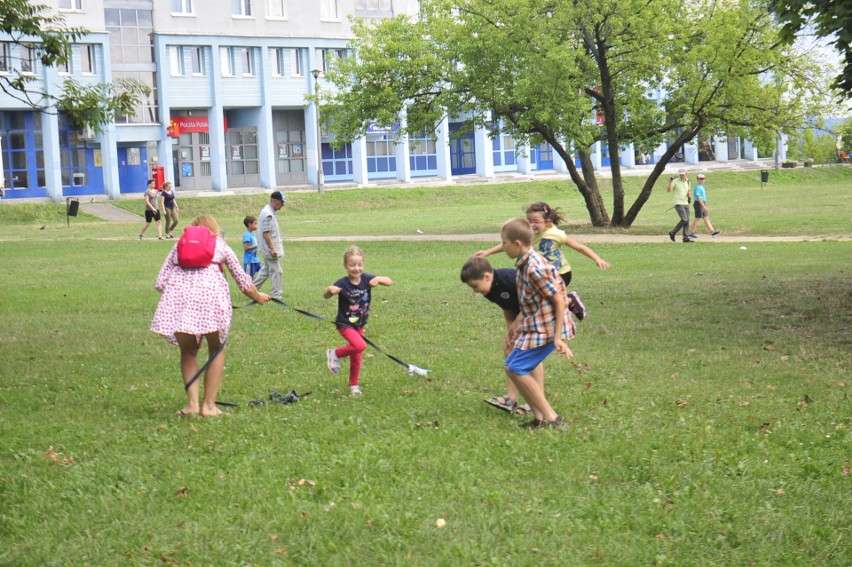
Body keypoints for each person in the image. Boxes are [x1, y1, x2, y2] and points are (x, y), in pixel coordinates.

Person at [151, 214, 270, 417]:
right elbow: (243, 281)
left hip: (179, 304)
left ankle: (191, 405)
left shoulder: (179, 246)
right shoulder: (219, 245)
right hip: (212, 303)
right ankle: (209, 406)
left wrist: (183, 294)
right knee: (216, 349)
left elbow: (161, 282)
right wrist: (258, 296)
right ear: (214, 229)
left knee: (188, 352)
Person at [476, 201, 612, 320]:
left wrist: (596, 258)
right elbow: (509, 244)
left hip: (560, 272)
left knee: (547, 299)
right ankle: (563, 305)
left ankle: (569, 300)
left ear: (546, 222)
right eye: (529, 221)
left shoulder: (556, 234)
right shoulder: (527, 235)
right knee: (543, 299)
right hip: (539, 273)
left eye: (536, 221)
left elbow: (579, 247)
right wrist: (488, 252)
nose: (532, 224)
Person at [500, 217, 575, 429]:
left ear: (517, 243)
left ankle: (551, 419)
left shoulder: (535, 267)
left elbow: (559, 299)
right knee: (513, 365)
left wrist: (558, 337)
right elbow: (531, 302)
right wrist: (517, 328)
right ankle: (540, 418)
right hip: (536, 326)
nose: (502, 247)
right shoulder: (524, 263)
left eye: (504, 243)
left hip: (548, 329)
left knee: (516, 367)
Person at [460, 255, 539, 416]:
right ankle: (511, 398)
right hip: (522, 316)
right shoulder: (488, 289)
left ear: (487, 276)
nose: (475, 291)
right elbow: (507, 309)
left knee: (531, 353)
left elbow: (533, 303)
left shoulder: (510, 280)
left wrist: (517, 326)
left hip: (539, 313)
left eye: (475, 286)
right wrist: (510, 334)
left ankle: (536, 401)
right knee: (510, 350)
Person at [323, 246, 394, 397]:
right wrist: (330, 290)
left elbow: (389, 282)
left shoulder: (367, 279)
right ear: (345, 266)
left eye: (359, 265)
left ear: (363, 264)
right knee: (360, 345)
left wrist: (379, 279)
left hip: (360, 323)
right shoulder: (342, 283)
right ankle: (334, 353)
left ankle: (354, 386)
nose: (356, 268)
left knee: (357, 355)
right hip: (345, 324)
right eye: (352, 265)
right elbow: (326, 295)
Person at [252, 191, 287, 299]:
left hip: (267, 247)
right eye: (281, 202)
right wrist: (272, 248)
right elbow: (266, 233)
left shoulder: (267, 212)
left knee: (265, 270)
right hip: (269, 249)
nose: (282, 205)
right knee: (277, 271)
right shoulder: (268, 214)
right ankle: (276, 295)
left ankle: (251, 289)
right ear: (274, 201)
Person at [667, 169, 694, 243]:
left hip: (686, 203)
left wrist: (689, 195)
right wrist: (670, 181)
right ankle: (673, 232)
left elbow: (688, 191)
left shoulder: (688, 181)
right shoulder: (675, 181)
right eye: (680, 174)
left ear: (686, 174)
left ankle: (685, 238)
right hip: (678, 203)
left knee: (687, 221)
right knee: (684, 219)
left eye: (683, 174)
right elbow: (669, 190)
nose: (681, 176)